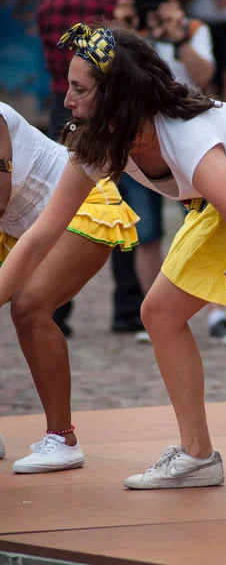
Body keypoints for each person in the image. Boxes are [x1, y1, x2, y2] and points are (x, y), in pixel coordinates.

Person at [0, 22, 226, 505]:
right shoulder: (99, 144)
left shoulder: (187, 139)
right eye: (69, 86)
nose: (67, 100)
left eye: (80, 89)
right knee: (160, 313)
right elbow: (42, 234)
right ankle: (197, 456)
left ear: (117, 96)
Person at [112, 0, 226, 345]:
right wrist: (124, 29)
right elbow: (104, 77)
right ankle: (152, 311)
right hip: (140, 144)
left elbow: (204, 75)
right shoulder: (120, 32)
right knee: (147, 232)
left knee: (207, 226)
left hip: (191, 143)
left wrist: (176, 36)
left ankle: (216, 313)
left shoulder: (191, 28)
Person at [0, 101, 139, 474]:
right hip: (19, 225)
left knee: (28, 307)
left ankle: (63, 439)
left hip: (80, 206)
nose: (68, 100)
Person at [37, 0, 135, 337]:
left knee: (59, 204)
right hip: (103, 109)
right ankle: (126, 308)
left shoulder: (49, 4)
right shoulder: (114, 5)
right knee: (118, 208)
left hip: (61, 105)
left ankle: (56, 308)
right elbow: (129, 66)